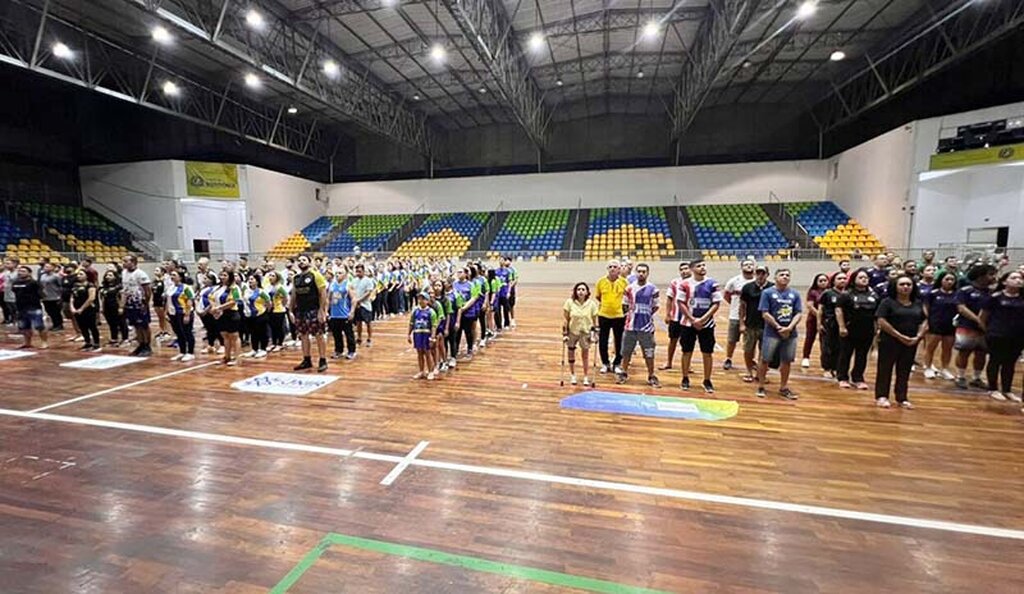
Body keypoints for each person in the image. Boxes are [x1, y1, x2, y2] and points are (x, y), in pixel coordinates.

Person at [874, 275, 928, 409]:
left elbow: (925, 320)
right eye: (902, 284)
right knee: (885, 369)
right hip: (889, 341)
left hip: (910, 342)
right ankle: (882, 396)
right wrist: (898, 335)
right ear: (895, 287)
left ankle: (902, 397)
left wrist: (918, 336)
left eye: (908, 285)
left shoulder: (918, 303)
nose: (905, 287)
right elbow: (881, 320)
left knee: (904, 370)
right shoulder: (887, 302)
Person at [756, 269, 802, 400]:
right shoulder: (767, 293)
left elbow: (798, 313)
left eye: (788, 275)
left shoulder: (795, 294)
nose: (785, 277)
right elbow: (765, 313)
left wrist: (789, 328)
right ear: (775, 277)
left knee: (786, 361)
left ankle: (783, 387)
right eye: (782, 275)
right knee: (765, 359)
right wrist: (778, 327)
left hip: (790, 334)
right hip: (771, 332)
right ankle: (761, 385)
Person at [678, 259, 722, 393]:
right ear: (692, 269)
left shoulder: (712, 283)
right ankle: (685, 378)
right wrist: (692, 319)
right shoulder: (684, 284)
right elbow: (681, 303)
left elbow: (716, 303)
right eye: (699, 266)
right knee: (686, 351)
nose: (702, 268)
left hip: (707, 325)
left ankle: (707, 380)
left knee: (707, 353)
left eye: (703, 265)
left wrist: (703, 319)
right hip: (687, 324)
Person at [980, 271, 1024, 402]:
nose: (1018, 280)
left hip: (1017, 336)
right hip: (997, 335)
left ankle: (1007, 389)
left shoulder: (1022, 299)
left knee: (1010, 363)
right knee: (995, 360)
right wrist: (988, 331)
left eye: (1020, 278)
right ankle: (993, 388)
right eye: (1014, 278)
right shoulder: (995, 297)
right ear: (1005, 282)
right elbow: (982, 317)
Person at [616, 263, 660, 388]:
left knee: (649, 352)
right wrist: (631, 316)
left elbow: (655, 306)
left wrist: (645, 316)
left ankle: (651, 375)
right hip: (630, 327)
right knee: (626, 352)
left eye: (644, 271)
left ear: (648, 273)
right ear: (635, 273)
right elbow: (624, 305)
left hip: (646, 328)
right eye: (639, 271)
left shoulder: (653, 289)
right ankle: (624, 373)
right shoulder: (629, 288)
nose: (641, 274)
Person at [953, 264, 996, 390]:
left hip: (986, 329)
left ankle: (976, 378)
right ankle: (960, 376)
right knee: (964, 351)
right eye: (990, 274)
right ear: (980, 276)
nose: (993, 277)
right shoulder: (965, 290)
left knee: (981, 353)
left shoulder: (992, 292)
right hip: (967, 326)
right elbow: (961, 308)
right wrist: (978, 320)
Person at [835, 269, 879, 390]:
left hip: (867, 330)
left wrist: (877, 329)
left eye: (866, 277)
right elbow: (839, 310)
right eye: (861, 277)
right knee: (845, 354)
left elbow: (877, 314)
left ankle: (858, 377)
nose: (864, 279)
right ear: (854, 279)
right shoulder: (846, 294)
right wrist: (842, 326)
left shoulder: (873, 295)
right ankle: (842, 377)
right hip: (849, 329)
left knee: (862, 355)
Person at [290, 254, 329, 372]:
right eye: (299, 260)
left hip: (314, 310)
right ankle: (306, 360)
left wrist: (322, 311)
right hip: (300, 311)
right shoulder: (296, 278)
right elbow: (294, 295)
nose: (301, 262)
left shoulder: (316, 275)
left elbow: (323, 294)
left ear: (309, 262)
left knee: (319, 335)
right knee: (303, 335)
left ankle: (323, 360)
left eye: (304, 260)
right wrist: (290, 310)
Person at [739, 265, 772, 383]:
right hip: (750, 324)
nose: (760, 275)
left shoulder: (772, 288)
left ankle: (761, 373)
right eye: (758, 273)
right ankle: (749, 371)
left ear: (767, 274)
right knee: (748, 350)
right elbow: (742, 306)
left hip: (767, 326)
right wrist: (741, 323)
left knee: (764, 352)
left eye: (763, 273)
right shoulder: (747, 288)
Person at [922, 271, 958, 380]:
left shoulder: (957, 294)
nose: (949, 282)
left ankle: (945, 369)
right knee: (930, 347)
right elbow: (925, 307)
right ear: (941, 280)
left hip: (950, 325)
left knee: (947, 348)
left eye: (952, 279)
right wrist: (928, 320)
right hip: (935, 323)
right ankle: (928, 367)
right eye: (947, 279)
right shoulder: (933, 293)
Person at [563, 282, 599, 387]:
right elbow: (566, 318)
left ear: (587, 292)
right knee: (571, 352)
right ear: (575, 291)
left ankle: (586, 376)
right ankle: (572, 374)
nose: (581, 292)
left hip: (585, 332)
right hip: (573, 332)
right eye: (578, 289)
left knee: (585, 355)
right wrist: (565, 333)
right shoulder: (569, 303)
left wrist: (595, 333)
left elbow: (594, 320)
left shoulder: (592, 304)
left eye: (583, 289)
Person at [594, 260, 627, 374]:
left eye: (615, 267)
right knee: (603, 340)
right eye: (610, 267)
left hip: (619, 315)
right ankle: (605, 363)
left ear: (619, 269)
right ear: (607, 269)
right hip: (604, 315)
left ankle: (617, 363)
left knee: (619, 341)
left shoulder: (624, 282)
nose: (612, 269)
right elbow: (598, 297)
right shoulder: (600, 282)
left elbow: (627, 298)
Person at [722, 260, 755, 371]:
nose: (749, 266)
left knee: (752, 341)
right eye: (746, 264)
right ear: (741, 267)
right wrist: (734, 305)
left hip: (752, 317)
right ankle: (728, 358)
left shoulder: (757, 281)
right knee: (732, 340)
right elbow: (726, 295)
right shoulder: (734, 281)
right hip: (735, 315)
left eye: (751, 264)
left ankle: (751, 360)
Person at [120, 255, 153, 357]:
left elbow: (147, 291)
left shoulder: (140, 274)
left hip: (139, 303)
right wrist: (122, 304)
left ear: (133, 262)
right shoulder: (124, 273)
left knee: (144, 325)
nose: (123, 263)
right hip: (130, 304)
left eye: (126, 261)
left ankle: (147, 345)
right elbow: (124, 290)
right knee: (136, 325)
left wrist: (145, 303)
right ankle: (141, 344)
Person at [661, 261, 691, 371]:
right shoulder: (675, 282)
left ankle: (688, 364)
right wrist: (668, 314)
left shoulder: (695, 283)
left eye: (686, 268)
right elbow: (669, 298)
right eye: (682, 269)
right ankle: (669, 362)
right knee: (672, 340)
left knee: (688, 343)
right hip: (676, 318)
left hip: (688, 319)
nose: (684, 271)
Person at [210, 269, 243, 365]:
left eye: (225, 275)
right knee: (225, 336)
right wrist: (213, 307)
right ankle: (227, 356)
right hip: (220, 315)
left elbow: (234, 301)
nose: (222, 277)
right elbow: (211, 298)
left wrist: (219, 307)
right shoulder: (217, 288)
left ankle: (237, 358)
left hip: (231, 314)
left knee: (234, 336)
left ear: (230, 277)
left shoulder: (234, 288)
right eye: (221, 275)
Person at [817, 271, 846, 379]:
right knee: (828, 347)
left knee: (841, 347)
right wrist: (819, 324)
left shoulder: (848, 293)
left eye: (844, 278)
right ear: (833, 281)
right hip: (830, 324)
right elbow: (820, 310)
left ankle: (836, 368)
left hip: (843, 324)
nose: (842, 280)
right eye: (839, 278)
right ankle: (827, 368)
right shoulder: (827, 293)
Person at [11, 265, 47, 349]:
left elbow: (42, 294)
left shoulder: (34, 283)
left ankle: (44, 342)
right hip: (21, 307)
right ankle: (27, 342)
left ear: (29, 273)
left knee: (39, 326)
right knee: (24, 327)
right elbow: (14, 292)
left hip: (33, 307)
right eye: (19, 271)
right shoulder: (16, 282)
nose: (21, 273)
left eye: (23, 271)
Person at [166, 270, 196, 362]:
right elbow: (167, 301)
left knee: (187, 332)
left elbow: (190, 300)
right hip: (173, 314)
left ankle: (190, 352)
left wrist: (187, 315)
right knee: (178, 333)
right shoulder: (170, 288)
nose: (172, 276)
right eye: (171, 275)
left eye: (174, 275)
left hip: (183, 313)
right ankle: (182, 351)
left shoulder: (186, 288)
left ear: (180, 277)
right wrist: (167, 313)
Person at [801, 273, 830, 369]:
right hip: (812, 319)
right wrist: (819, 315)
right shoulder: (813, 292)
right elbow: (810, 306)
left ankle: (825, 361)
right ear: (816, 282)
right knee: (810, 338)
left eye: (825, 280)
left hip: (827, 320)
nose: (823, 282)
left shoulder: (830, 292)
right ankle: (805, 357)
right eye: (820, 281)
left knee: (825, 341)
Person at [452, 266, 481, 361]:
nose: (459, 274)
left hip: (468, 313)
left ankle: (470, 349)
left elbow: (474, 297)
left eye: (461, 272)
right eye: (457, 272)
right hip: (457, 313)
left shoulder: (471, 285)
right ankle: (454, 352)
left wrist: (464, 307)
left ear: (465, 274)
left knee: (468, 332)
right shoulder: (454, 284)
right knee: (457, 332)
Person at [328, 267, 356, 360]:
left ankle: (351, 351)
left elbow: (354, 299)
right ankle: (339, 350)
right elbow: (328, 299)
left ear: (345, 274)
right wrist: (326, 311)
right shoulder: (332, 285)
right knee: (336, 334)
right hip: (334, 314)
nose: (337, 275)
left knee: (349, 334)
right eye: (336, 273)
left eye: (340, 273)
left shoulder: (348, 284)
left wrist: (352, 312)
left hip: (345, 314)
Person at [409, 292, 438, 380]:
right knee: (419, 352)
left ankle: (430, 371)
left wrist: (432, 337)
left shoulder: (431, 312)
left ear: (427, 300)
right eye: (419, 299)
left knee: (427, 353)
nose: (421, 301)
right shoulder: (415, 311)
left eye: (423, 299)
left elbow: (434, 325)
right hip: (418, 333)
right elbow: (411, 323)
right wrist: (408, 334)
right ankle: (421, 371)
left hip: (426, 334)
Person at [69, 268, 100, 352]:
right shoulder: (75, 285)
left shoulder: (90, 285)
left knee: (92, 326)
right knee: (82, 327)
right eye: (78, 274)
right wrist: (72, 307)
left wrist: (82, 308)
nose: (78, 276)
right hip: (77, 309)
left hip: (88, 309)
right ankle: (87, 342)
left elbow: (91, 298)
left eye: (81, 274)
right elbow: (72, 297)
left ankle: (96, 344)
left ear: (87, 276)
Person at [242, 275, 271, 359]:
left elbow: (269, 302)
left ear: (257, 281)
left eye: (252, 279)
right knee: (253, 333)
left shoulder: (261, 292)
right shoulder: (246, 291)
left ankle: (263, 349)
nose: (250, 281)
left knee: (261, 332)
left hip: (260, 314)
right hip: (249, 316)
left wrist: (265, 311)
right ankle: (254, 349)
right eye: (249, 279)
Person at [98, 269, 127, 346]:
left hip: (116, 306)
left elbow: (123, 297)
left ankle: (125, 339)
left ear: (115, 277)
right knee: (111, 323)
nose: (108, 277)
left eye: (110, 275)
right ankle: (114, 338)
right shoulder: (104, 287)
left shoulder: (119, 286)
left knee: (121, 323)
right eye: (107, 275)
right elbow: (102, 298)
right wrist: (102, 307)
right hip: (107, 307)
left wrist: (121, 307)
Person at [351, 263, 376, 348]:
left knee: (368, 322)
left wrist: (359, 300)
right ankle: (359, 337)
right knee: (358, 322)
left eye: (360, 271)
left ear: (363, 271)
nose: (358, 273)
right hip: (357, 305)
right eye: (357, 271)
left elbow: (368, 292)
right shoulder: (354, 280)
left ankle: (369, 338)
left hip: (366, 305)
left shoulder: (368, 280)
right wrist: (355, 300)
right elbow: (352, 291)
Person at [266, 271, 289, 353]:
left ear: (277, 278)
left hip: (279, 309)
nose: (271, 277)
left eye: (273, 276)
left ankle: (280, 344)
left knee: (279, 327)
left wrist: (283, 305)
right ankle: (274, 342)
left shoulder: (280, 287)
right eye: (270, 276)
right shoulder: (267, 287)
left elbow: (285, 297)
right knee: (272, 327)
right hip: (270, 310)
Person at [38, 261, 64, 331]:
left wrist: (61, 296)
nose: (46, 268)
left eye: (48, 267)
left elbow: (61, 286)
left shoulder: (56, 276)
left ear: (53, 268)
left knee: (56, 312)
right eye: (45, 267)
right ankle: (54, 324)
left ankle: (59, 324)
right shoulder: (42, 275)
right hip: (45, 297)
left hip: (55, 296)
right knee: (49, 312)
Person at [2, 257, 18, 326]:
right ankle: (12, 320)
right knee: (9, 308)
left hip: (14, 293)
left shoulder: (17, 273)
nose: (6, 265)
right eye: (6, 264)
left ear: (14, 264)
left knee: (15, 308)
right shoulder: (6, 273)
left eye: (8, 264)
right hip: (7, 292)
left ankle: (17, 321)